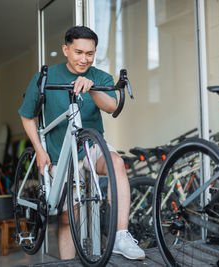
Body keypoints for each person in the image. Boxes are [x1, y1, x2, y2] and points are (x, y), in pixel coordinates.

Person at [18, 26, 145, 261]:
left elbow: (112, 107)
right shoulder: (45, 77)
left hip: (90, 145)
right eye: (78, 52)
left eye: (90, 53)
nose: (84, 59)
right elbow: (27, 115)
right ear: (65, 50)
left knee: (116, 164)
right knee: (68, 219)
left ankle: (120, 236)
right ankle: (68, 264)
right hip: (58, 153)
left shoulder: (99, 76)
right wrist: (39, 150)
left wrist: (92, 86)